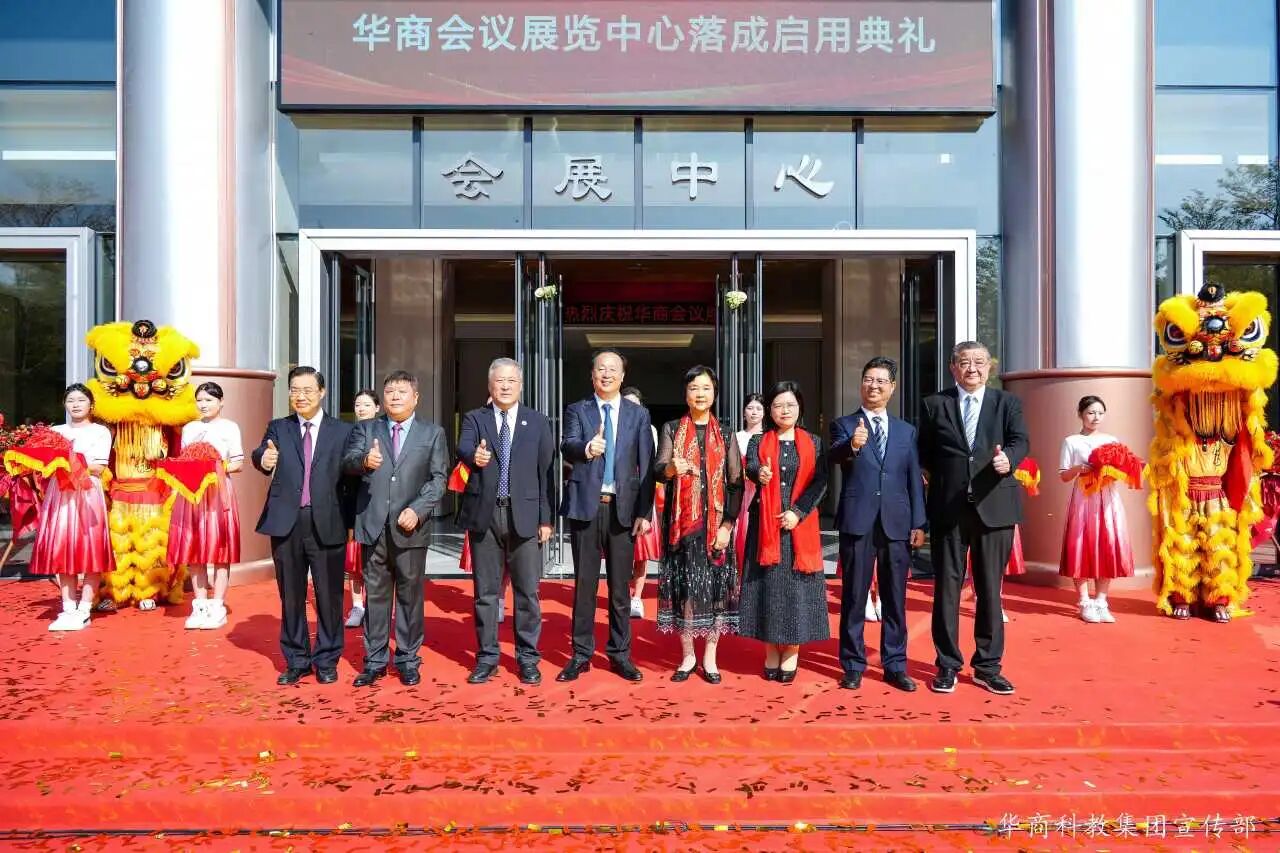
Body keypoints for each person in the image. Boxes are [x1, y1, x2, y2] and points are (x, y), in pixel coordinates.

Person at [918, 341, 1029, 696]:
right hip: (948, 510)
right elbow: (924, 453)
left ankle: (988, 667)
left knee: (989, 590)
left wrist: (1009, 458)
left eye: (979, 362)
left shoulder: (1006, 403)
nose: (972, 369)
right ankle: (947, 665)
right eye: (964, 362)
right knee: (946, 591)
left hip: (994, 507)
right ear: (953, 368)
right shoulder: (935, 404)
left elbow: (1021, 441)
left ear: (989, 367)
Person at [342, 370, 448, 688]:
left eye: (402, 391)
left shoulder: (432, 433)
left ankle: (407, 659)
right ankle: (374, 661)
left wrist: (418, 510)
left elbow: (438, 479)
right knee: (375, 596)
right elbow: (347, 462)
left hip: (410, 528)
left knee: (409, 596)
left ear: (416, 398)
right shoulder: (366, 429)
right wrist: (364, 461)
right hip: (373, 525)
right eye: (390, 391)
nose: (395, 396)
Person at [251, 366, 353, 686]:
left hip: (328, 521)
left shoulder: (342, 431)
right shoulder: (279, 427)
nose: (301, 396)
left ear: (322, 392)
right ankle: (296, 660)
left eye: (308, 390)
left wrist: (352, 522)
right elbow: (261, 452)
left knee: (329, 596)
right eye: (295, 390)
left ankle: (327, 659)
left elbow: (352, 479)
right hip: (287, 522)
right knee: (291, 596)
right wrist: (263, 459)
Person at [557, 349, 655, 683]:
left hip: (622, 509)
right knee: (584, 586)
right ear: (592, 374)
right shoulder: (578, 409)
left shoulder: (637, 415)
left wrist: (644, 511)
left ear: (623, 376)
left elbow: (646, 465)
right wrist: (587, 448)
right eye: (601, 368)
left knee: (619, 588)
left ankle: (620, 654)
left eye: (613, 369)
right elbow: (567, 444)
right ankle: (581, 654)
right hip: (586, 506)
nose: (607, 374)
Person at [829, 358, 926, 692]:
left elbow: (913, 478)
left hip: (897, 522)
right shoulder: (844, 424)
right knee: (854, 596)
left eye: (881, 381)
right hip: (858, 520)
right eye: (869, 379)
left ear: (892, 388)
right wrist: (852, 446)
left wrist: (919, 521)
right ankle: (853, 664)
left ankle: (895, 665)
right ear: (861, 384)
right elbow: (835, 457)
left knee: (895, 598)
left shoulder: (905, 431)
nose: (874, 386)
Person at [456, 358, 555, 685]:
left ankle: (527, 658)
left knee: (527, 592)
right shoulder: (475, 418)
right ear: (490, 385)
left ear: (521, 385)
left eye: (512, 380)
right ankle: (487, 658)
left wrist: (546, 518)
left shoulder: (537, 421)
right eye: (499, 380)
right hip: (486, 515)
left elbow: (546, 473)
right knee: (485, 593)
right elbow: (463, 446)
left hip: (524, 516)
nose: (505, 385)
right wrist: (474, 455)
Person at [655, 366, 743, 683]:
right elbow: (658, 469)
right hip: (683, 528)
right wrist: (670, 469)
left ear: (714, 393)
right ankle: (688, 655)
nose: (700, 394)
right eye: (694, 388)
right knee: (686, 591)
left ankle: (710, 657)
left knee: (716, 591)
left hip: (717, 528)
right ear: (686, 394)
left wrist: (727, 526)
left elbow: (736, 483)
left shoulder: (727, 434)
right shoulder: (671, 428)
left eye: (706, 388)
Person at [739, 380, 830, 683]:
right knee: (767, 589)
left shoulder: (814, 442)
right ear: (770, 410)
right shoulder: (759, 440)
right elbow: (751, 466)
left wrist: (797, 512)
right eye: (778, 405)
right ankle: (770, 649)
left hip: (799, 528)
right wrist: (759, 473)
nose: (784, 410)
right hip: (765, 530)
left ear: (800, 407)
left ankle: (792, 650)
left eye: (790, 404)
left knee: (796, 592)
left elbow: (821, 483)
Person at [33, 384, 115, 631]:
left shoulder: (101, 431)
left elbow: (99, 467)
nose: (76, 404)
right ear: (64, 405)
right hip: (60, 493)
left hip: (88, 492)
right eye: (71, 400)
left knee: (91, 549)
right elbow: (43, 464)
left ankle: (84, 608)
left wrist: (68, 461)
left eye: (81, 400)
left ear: (91, 405)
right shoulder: (55, 432)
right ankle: (68, 607)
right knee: (63, 549)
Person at [173, 382, 243, 630]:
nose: (203, 405)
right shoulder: (190, 428)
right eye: (200, 400)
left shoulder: (229, 427)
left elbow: (238, 462)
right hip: (192, 493)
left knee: (220, 549)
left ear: (221, 402)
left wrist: (214, 469)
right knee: (195, 550)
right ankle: (200, 604)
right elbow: (184, 460)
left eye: (209, 400)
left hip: (218, 491)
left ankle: (217, 604)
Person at [1059, 395, 1135, 623]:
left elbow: (1122, 471)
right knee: (1080, 546)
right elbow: (1063, 476)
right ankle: (1084, 601)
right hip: (1083, 498)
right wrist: (1078, 469)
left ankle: (1101, 601)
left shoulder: (1111, 440)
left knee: (1107, 545)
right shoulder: (1071, 441)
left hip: (1108, 498)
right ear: (1080, 414)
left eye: (1100, 413)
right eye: (1091, 413)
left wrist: (1114, 471)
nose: (1096, 417)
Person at [625, 386, 661, 619]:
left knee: (641, 552)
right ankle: (621, 596)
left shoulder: (650, 429)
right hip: (618, 497)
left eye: (635, 404)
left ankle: (636, 597)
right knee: (619, 553)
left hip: (642, 495)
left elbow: (653, 467)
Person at [344, 389, 380, 629]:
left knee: (377, 561)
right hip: (353, 502)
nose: (361, 409)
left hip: (376, 503)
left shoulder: (384, 432)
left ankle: (377, 606)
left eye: (367, 404)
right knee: (354, 559)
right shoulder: (348, 434)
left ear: (377, 408)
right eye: (358, 405)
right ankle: (357, 605)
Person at [733, 393, 765, 570]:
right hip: (741, 492)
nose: (754, 412)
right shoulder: (736, 437)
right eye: (750, 408)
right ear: (743, 412)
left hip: (762, 492)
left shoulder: (769, 437)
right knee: (740, 534)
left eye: (759, 408)